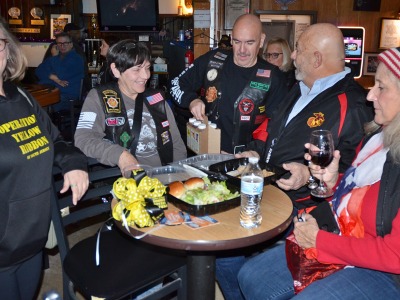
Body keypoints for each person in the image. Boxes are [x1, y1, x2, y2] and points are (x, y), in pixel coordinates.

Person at [215, 23, 373, 300]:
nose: (294, 56)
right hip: (269, 194)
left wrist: (309, 177)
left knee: (246, 272)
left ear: (316, 59)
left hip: (306, 213)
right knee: (221, 253)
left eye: (299, 50)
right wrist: (254, 152)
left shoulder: (356, 104)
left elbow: (358, 178)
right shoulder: (300, 86)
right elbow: (273, 130)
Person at [237, 46, 400, 299]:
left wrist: (320, 240)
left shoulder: (354, 106)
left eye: (381, 87)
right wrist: (334, 181)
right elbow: (365, 195)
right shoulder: (379, 136)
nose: (370, 96)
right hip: (342, 233)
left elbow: (394, 255)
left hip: (384, 271)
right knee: (251, 277)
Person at [0, 18, 89, 299]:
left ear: (8, 50)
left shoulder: (22, 98)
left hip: (32, 240)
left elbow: (58, 141)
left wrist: (74, 164)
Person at [170, 13, 287, 154]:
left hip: (246, 158)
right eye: (237, 42)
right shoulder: (213, 60)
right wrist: (191, 100)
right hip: (206, 152)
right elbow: (176, 84)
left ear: (261, 41)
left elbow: (277, 124)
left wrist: (256, 150)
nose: (242, 50)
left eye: (249, 43)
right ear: (231, 39)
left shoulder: (273, 77)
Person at [74, 39, 187, 171]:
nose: (145, 76)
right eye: (137, 69)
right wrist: (119, 155)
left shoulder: (156, 99)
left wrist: (178, 174)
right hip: (123, 181)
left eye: (147, 68)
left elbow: (177, 144)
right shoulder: (98, 97)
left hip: (162, 176)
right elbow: (83, 139)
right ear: (116, 70)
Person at [35, 32, 85, 112]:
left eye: (65, 43)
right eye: (59, 43)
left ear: (71, 44)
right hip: (54, 92)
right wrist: (54, 78)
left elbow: (61, 74)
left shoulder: (76, 59)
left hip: (67, 97)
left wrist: (54, 58)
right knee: (32, 101)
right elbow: (38, 71)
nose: (62, 46)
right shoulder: (56, 57)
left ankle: (46, 124)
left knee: (40, 106)